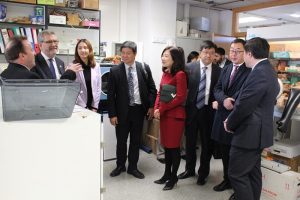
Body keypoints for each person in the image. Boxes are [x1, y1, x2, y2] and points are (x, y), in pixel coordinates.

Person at [224, 37, 279, 200]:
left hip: (249, 134)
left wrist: (230, 122)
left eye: (243, 53)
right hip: (257, 134)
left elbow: (244, 105)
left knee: (237, 175)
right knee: (253, 173)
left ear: (249, 53)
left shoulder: (259, 73)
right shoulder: (268, 70)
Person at [107, 41, 157, 179]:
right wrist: (112, 114)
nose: (125, 56)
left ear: (135, 54)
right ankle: (120, 165)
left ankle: (133, 167)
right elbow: (111, 95)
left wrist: (152, 106)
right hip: (121, 112)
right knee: (121, 141)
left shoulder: (144, 68)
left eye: (128, 53)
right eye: (122, 53)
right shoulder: (115, 71)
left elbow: (153, 89)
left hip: (138, 111)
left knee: (136, 141)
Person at [178, 40, 221, 185]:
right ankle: (189, 169)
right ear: (200, 52)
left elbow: (220, 91)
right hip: (191, 111)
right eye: (205, 52)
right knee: (189, 143)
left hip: (209, 112)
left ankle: (203, 173)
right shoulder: (188, 68)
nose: (208, 55)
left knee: (207, 145)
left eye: (211, 53)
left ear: (215, 55)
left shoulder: (219, 71)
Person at [211, 39, 251, 192]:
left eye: (238, 51)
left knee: (236, 155)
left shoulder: (249, 71)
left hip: (236, 118)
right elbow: (218, 88)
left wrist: (230, 101)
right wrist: (224, 100)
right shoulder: (226, 68)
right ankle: (227, 180)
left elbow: (242, 94)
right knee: (225, 153)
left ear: (246, 52)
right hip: (222, 116)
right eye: (232, 50)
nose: (233, 54)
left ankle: (237, 187)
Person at [153, 46, 187, 190]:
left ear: (175, 59)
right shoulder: (165, 73)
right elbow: (159, 93)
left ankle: (173, 178)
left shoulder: (180, 74)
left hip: (175, 117)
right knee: (167, 148)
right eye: (163, 55)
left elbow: (180, 97)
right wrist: (156, 107)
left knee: (174, 149)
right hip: (165, 115)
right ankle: (166, 174)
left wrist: (162, 109)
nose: (163, 58)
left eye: (166, 56)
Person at [73, 39, 101, 112]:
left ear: (89, 50)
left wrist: (95, 107)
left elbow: (98, 87)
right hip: (80, 106)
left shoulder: (96, 66)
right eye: (80, 48)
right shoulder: (73, 66)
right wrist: (84, 107)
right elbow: (73, 89)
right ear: (77, 51)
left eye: (85, 47)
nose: (83, 50)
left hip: (93, 106)